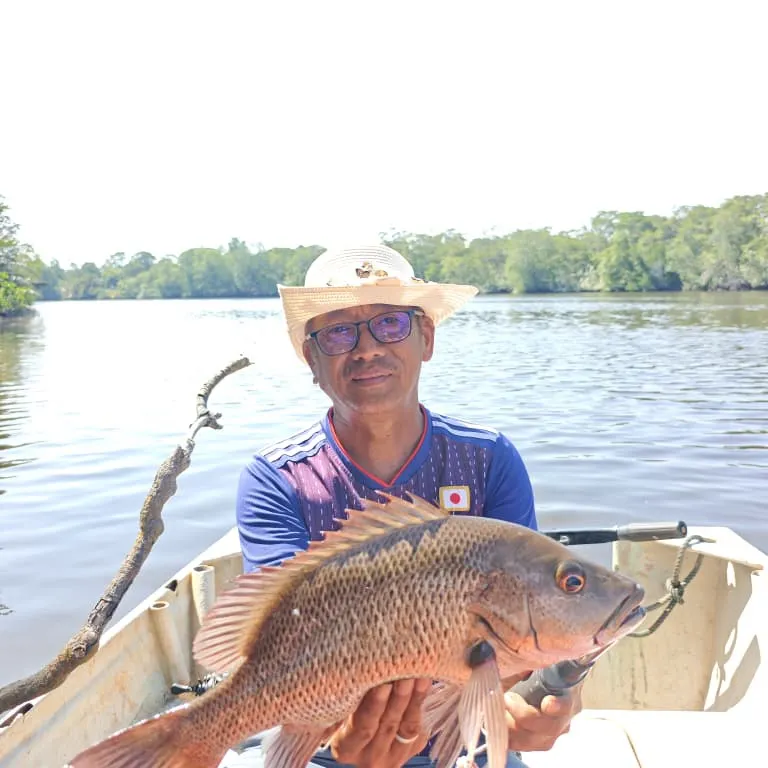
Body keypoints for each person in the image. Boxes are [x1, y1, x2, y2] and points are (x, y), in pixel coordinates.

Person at [230, 244, 582, 768]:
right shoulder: (278, 479)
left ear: (427, 339)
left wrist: (551, 698)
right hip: (325, 742)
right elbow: (276, 643)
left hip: (466, 738)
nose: (367, 348)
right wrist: (337, 742)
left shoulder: (489, 460)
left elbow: (520, 634)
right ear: (312, 359)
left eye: (390, 323)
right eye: (339, 331)